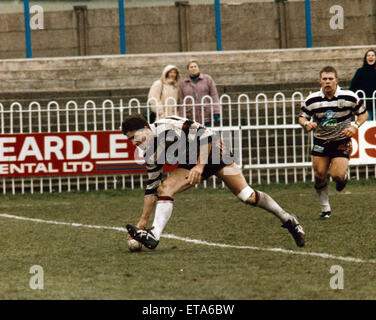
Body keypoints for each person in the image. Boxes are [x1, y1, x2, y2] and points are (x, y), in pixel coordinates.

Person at [122, 114, 306, 250]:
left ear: (146, 129)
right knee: (164, 189)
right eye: (129, 139)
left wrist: (200, 167)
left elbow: (207, 136)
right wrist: (143, 221)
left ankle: (289, 220)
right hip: (192, 160)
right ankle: (154, 234)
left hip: (213, 150)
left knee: (247, 196)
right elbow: (152, 187)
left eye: (134, 137)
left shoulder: (167, 128)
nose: (132, 143)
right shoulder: (148, 152)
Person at [298, 66, 368, 219]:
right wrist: (307, 124)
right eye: (324, 79)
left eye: (330, 79)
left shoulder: (349, 97)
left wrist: (355, 126)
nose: (327, 82)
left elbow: (363, 114)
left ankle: (343, 177)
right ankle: (325, 209)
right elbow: (302, 117)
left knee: (336, 175)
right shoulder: (312, 100)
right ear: (319, 81)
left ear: (336, 80)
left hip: (340, 141)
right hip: (321, 141)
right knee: (319, 176)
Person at [178, 59, 220, 127]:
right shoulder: (183, 83)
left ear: (198, 68)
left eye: (195, 66)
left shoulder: (207, 79)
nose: (193, 68)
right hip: (190, 116)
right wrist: (182, 116)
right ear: (188, 69)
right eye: (191, 67)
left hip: (206, 114)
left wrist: (216, 112)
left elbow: (214, 95)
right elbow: (181, 100)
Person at [349, 49, 376, 120]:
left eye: (373, 55)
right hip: (365, 104)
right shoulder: (360, 71)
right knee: (366, 124)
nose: (371, 57)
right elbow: (353, 87)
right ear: (365, 58)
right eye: (368, 55)